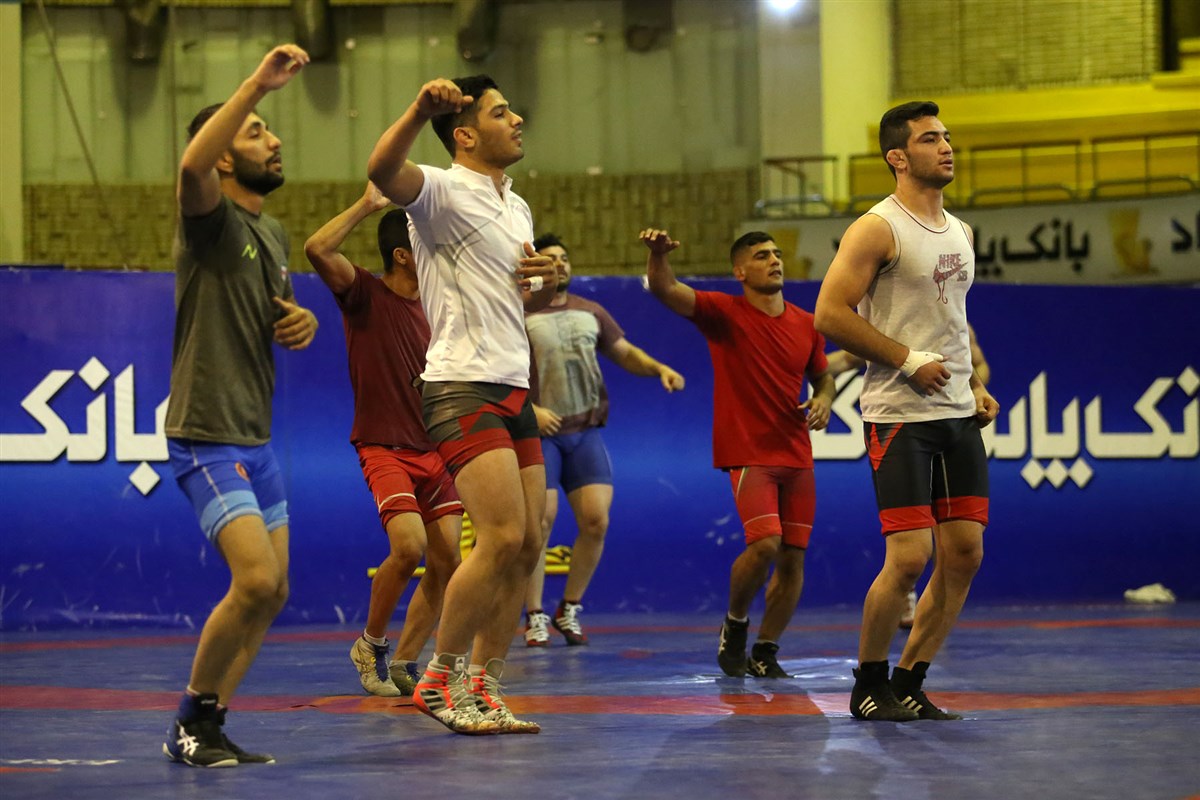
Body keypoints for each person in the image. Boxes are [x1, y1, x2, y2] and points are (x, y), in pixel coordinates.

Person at [367, 75, 558, 734]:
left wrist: (546, 281)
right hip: (461, 385)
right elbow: (381, 169)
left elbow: (518, 298)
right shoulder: (440, 192)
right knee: (500, 536)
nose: (518, 118)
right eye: (502, 112)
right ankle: (438, 679)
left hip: (513, 385)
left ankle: (482, 687)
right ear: (467, 135)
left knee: (528, 544)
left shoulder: (517, 206)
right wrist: (419, 109)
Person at [813, 101, 1000, 722]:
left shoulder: (961, 231)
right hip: (898, 414)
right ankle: (867, 685)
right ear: (898, 156)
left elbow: (951, 323)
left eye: (947, 136)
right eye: (929, 139)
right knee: (911, 557)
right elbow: (829, 315)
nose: (946, 147)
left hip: (957, 413)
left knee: (965, 554)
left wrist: (973, 383)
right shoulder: (877, 228)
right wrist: (907, 359)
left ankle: (910, 680)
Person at [162, 44, 319, 767]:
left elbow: (277, 310)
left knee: (274, 590)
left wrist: (302, 320)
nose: (274, 139)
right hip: (206, 435)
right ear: (226, 155)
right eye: (257, 132)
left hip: (256, 438)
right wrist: (257, 84)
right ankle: (188, 722)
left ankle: (213, 723)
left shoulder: (271, 232)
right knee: (253, 578)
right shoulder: (210, 216)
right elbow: (190, 168)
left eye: (269, 129)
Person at [642, 228, 836, 680]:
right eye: (762, 255)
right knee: (765, 544)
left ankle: (766, 650)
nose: (774, 260)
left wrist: (825, 398)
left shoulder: (807, 323)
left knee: (792, 558)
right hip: (750, 452)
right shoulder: (723, 312)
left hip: (797, 454)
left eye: (777, 253)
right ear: (740, 271)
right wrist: (658, 256)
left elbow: (822, 376)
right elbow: (666, 290)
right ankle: (735, 622)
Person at [304, 185, 465, 698]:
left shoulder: (438, 306)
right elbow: (317, 249)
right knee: (409, 547)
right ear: (402, 254)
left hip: (437, 449)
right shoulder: (365, 294)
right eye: (425, 242)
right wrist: (367, 205)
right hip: (384, 447)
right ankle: (370, 644)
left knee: (448, 561)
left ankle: (406, 661)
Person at [522, 233, 685, 647]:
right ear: (535, 267)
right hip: (540, 435)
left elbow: (625, 352)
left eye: (564, 258)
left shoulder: (590, 311)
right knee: (540, 523)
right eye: (550, 258)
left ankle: (569, 608)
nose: (560, 264)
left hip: (585, 432)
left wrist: (660, 368)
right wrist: (529, 410)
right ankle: (534, 614)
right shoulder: (519, 312)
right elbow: (498, 372)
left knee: (596, 521)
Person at [826, 324, 990, 629]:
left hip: (952, 422)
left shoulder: (953, 324)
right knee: (910, 539)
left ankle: (931, 601)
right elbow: (844, 360)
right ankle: (908, 592)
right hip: (904, 426)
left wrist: (973, 391)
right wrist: (799, 369)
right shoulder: (891, 327)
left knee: (952, 534)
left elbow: (977, 364)